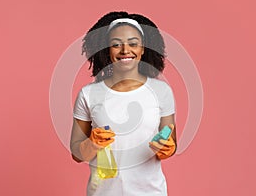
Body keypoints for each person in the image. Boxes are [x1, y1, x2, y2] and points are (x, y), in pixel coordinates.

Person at [70, 11, 177, 196]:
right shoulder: (88, 94)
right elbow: (77, 154)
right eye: (116, 45)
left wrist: (167, 148)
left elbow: (170, 145)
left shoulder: (162, 92)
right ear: (107, 50)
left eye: (133, 44)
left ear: (143, 49)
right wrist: (92, 144)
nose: (125, 50)